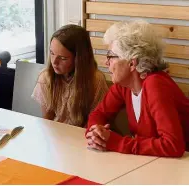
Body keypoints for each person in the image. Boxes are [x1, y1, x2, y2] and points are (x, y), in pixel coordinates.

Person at [86, 20, 189, 157]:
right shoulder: (123, 86)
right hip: (155, 163)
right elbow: (98, 114)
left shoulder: (156, 85)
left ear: (132, 63)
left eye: (111, 56)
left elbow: (173, 145)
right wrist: (95, 133)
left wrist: (117, 143)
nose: (106, 62)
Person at [32, 24, 108, 127]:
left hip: (83, 136)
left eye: (63, 58)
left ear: (79, 60)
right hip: (56, 135)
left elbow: (95, 122)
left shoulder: (96, 80)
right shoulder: (46, 77)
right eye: (52, 53)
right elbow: (47, 121)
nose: (54, 62)